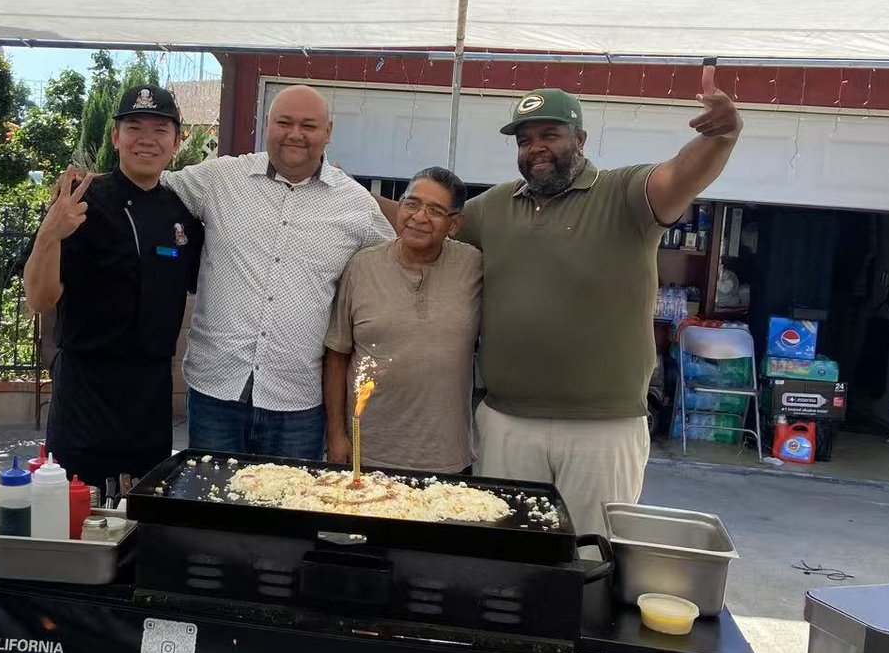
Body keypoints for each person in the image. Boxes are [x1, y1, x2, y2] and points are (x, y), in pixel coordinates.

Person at [453, 69, 743, 534]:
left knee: (591, 556)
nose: (536, 147)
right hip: (507, 421)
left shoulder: (622, 193)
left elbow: (679, 175)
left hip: (602, 429)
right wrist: (346, 189)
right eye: (525, 139)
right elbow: (422, 226)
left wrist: (722, 136)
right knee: (507, 552)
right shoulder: (491, 207)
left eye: (550, 134)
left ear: (581, 138)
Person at [160, 85, 394, 458]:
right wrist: (83, 187)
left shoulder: (356, 206)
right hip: (215, 389)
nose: (295, 134)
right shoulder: (219, 180)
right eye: (284, 122)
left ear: (328, 132)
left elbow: (397, 260)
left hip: (298, 400)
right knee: (209, 511)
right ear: (267, 125)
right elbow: (149, 182)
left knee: (285, 513)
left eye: (309, 125)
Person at [22, 84, 202, 491]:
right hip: (87, 385)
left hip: (150, 391)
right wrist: (49, 235)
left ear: (176, 141)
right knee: (76, 506)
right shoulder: (81, 202)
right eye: (134, 127)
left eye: (160, 129)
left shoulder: (182, 215)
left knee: (144, 507)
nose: (147, 139)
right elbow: (39, 298)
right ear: (115, 137)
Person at [323, 167, 482, 475]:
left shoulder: (474, 266)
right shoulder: (362, 266)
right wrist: (336, 435)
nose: (419, 217)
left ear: (455, 224)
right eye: (412, 203)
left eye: (435, 211)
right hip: (366, 452)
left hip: (446, 455)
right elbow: (337, 355)